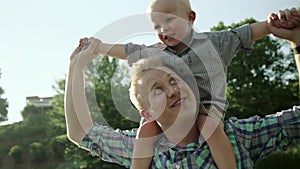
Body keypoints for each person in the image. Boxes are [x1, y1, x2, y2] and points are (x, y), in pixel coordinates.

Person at [80, 0, 300, 168]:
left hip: (206, 107)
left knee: (209, 128)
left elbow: (247, 33)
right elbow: (128, 50)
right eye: (156, 25)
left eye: (168, 20)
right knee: (145, 130)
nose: (162, 29)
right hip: (171, 110)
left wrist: (275, 25)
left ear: (190, 17)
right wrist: (99, 47)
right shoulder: (158, 53)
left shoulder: (215, 43)